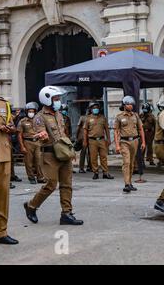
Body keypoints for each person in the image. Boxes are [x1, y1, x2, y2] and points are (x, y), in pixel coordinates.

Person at [23, 86, 83, 226]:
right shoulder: (39, 117)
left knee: (67, 184)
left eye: (58, 99)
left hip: (63, 154)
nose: (58, 102)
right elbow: (40, 133)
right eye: (56, 99)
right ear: (47, 99)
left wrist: (70, 151)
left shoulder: (59, 114)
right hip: (49, 154)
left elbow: (63, 134)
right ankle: (31, 206)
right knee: (51, 184)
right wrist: (42, 135)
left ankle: (66, 214)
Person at [0, 70, 18, 245]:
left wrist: (10, 129)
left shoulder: (4, 105)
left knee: (2, 196)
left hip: (4, 156)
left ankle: (0, 233)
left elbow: (12, 125)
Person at [114, 96, 146, 193]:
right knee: (126, 162)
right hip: (124, 142)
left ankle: (130, 182)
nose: (130, 106)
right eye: (128, 104)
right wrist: (117, 145)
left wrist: (143, 142)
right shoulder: (119, 117)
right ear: (124, 105)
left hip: (135, 141)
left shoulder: (135, 116)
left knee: (132, 163)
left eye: (131, 104)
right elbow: (116, 131)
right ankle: (126, 184)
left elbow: (141, 129)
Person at [83, 102, 114, 180]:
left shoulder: (103, 118)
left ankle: (105, 173)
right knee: (93, 157)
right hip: (92, 141)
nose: (95, 109)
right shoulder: (88, 118)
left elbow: (106, 129)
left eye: (96, 108)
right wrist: (85, 141)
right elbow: (85, 131)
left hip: (102, 140)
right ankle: (95, 172)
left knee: (104, 157)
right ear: (91, 109)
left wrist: (109, 139)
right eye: (94, 108)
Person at [18, 102, 45, 184]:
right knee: (28, 162)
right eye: (29, 111)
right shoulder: (22, 121)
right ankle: (31, 177)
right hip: (27, 142)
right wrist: (22, 146)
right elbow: (19, 135)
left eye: (32, 111)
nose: (31, 113)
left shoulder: (38, 121)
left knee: (39, 161)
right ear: (26, 112)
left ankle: (40, 177)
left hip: (37, 142)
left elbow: (43, 130)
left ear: (35, 112)